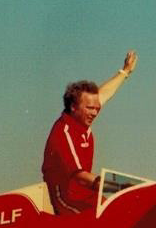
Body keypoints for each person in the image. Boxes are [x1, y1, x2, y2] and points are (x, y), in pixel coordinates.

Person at [42, 50, 138, 214]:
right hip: (66, 198)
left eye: (97, 108)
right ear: (73, 107)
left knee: (123, 210)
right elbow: (80, 176)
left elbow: (103, 95)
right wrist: (118, 187)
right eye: (90, 108)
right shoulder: (63, 133)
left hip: (85, 193)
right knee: (110, 215)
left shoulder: (80, 118)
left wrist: (125, 71)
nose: (94, 113)